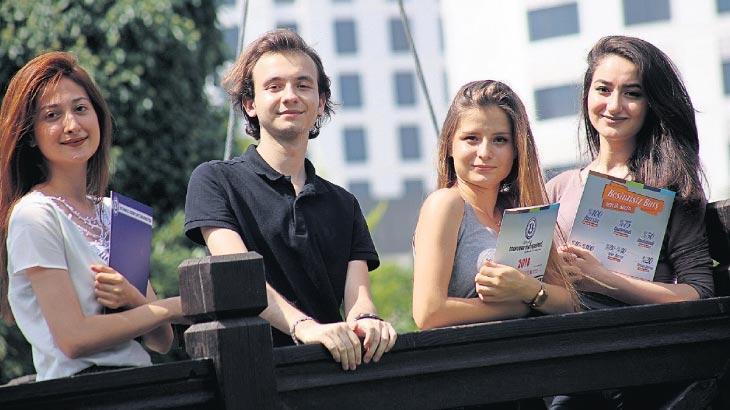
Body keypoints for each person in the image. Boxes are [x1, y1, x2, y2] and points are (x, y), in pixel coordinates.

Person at [184, 29, 397, 371]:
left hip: (332, 371)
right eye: (274, 86)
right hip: (251, 374)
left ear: (321, 102)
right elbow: (239, 274)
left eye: (303, 85)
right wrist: (305, 327)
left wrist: (368, 321)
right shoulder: (215, 181)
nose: (290, 96)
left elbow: (359, 299)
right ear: (250, 104)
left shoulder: (344, 204)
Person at [545, 35, 715, 409]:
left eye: (632, 93)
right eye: (603, 89)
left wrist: (605, 279)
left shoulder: (670, 186)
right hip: (571, 372)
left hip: (644, 370)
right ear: (587, 95)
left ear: (651, 103)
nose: (614, 105)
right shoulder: (556, 189)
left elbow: (699, 292)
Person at [0, 52, 183, 381]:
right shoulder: (34, 215)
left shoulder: (120, 214)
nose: (72, 125)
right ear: (30, 135)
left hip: (141, 386)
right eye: (52, 115)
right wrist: (174, 306)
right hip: (79, 391)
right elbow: (74, 340)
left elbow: (161, 341)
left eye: (81, 109)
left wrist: (133, 298)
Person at [412, 80, 577, 331]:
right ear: (449, 145)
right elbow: (428, 312)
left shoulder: (520, 208)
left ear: (517, 149)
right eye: (471, 138)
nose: (485, 152)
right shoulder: (446, 204)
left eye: (500, 140)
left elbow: (570, 303)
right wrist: (518, 306)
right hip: (474, 353)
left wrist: (526, 288)